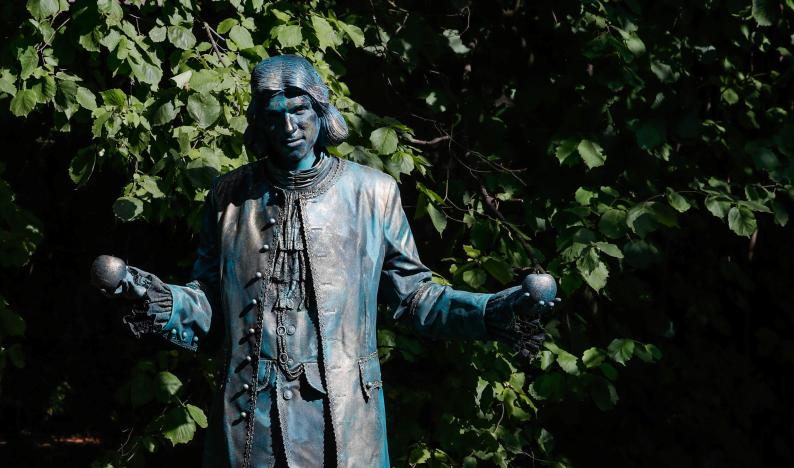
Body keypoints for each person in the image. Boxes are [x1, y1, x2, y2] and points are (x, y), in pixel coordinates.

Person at [91, 55, 556, 468]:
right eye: (274, 118)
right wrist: (156, 298)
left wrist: (493, 310)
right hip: (251, 419)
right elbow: (212, 303)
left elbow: (415, 299)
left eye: (298, 112)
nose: (289, 128)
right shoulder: (230, 197)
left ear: (320, 111)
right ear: (260, 125)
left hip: (342, 417)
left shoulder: (372, 192)